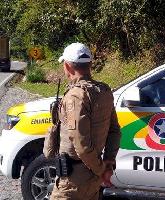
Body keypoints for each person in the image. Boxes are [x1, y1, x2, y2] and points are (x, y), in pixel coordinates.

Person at [49, 42, 121, 200]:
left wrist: (101, 169)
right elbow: (114, 131)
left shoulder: (76, 96)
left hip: (73, 181)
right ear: (89, 65)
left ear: (68, 67)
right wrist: (108, 163)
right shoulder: (104, 90)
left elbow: (81, 146)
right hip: (92, 178)